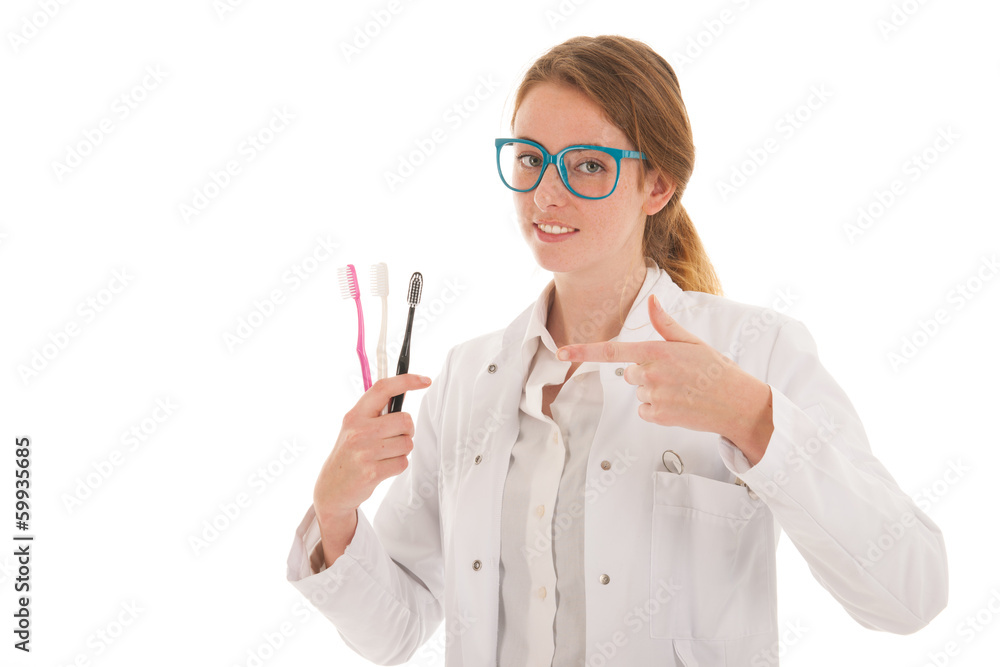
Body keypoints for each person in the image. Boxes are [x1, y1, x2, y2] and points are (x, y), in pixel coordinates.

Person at [286, 34, 948, 666]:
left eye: (589, 165)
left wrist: (751, 417)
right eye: (529, 157)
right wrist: (337, 511)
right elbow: (397, 629)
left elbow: (911, 592)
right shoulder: (467, 376)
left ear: (656, 185)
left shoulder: (754, 351)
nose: (546, 193)